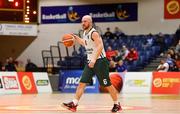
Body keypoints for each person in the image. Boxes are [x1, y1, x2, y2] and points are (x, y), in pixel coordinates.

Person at [62, 15, 122, 112]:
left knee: (107, 85)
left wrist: (94, 60)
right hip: (90, 62)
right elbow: (86, 44)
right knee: (82, 83)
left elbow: (100, 46)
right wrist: (77, 39)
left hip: (100, 62)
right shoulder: (85, 33)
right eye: (82, 21)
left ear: (90, 22)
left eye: (85, 21)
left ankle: (117, 104)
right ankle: (74, 104)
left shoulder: (94, 33)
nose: (83, 23)